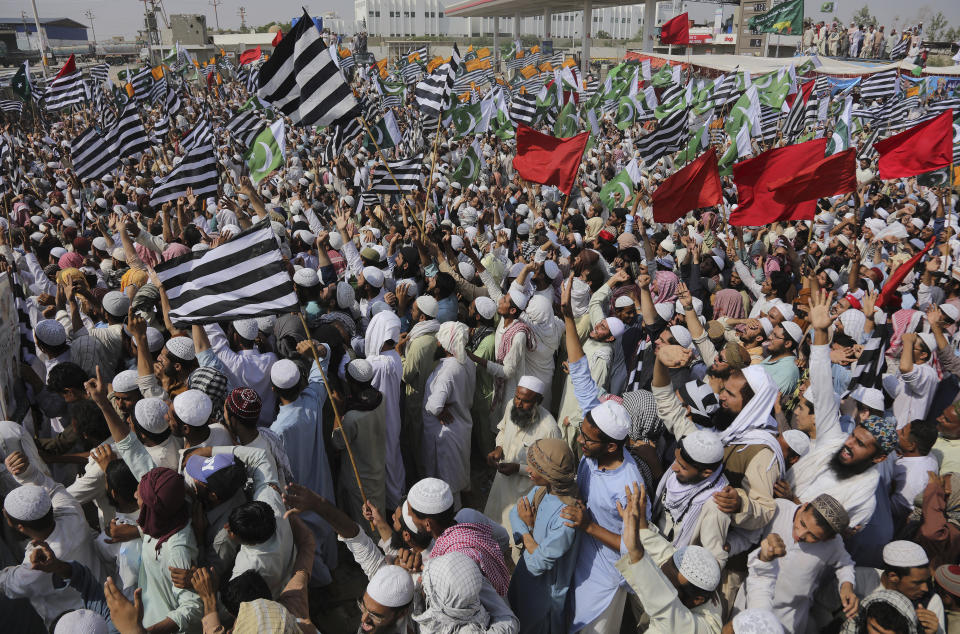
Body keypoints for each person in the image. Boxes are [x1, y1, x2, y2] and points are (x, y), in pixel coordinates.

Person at [507, 438, 580, 633]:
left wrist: (528, 530)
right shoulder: (543, 490)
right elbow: (514, 513)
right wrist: (530, 538)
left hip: (546, 593)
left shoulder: (568, 515)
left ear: (550, 473)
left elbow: (539, 563)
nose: (528, 470)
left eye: (535, 467)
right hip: (526, 579)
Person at [484, 376, 561, 529]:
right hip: (502, 482)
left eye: (525, 401)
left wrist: (518, 469)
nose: (518, 403)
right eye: (517, 397)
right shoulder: (511, 406)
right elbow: (503, 429)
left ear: (538, 401)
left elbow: (551, 471)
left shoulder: (549, 429)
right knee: (493, 523)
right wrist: (499, 448)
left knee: (516, 531)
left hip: (525, 491)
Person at [421, 322, 477, 505]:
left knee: (447, 488)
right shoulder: (467, 361)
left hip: (447, 434)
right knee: (460, 477)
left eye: (439, 340)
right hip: (462, 427)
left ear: (446, 344)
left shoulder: (447, 371)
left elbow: (434, 406)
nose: (437, 343)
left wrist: (438, 411)